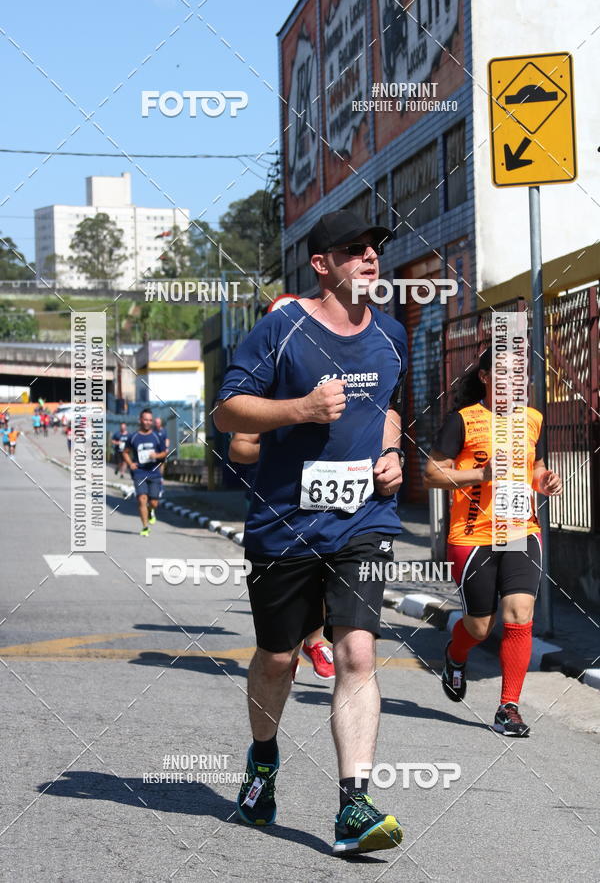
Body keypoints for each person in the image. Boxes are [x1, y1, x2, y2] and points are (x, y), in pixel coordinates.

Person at [214, 209, 408, 856]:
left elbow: (387, 409)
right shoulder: (283, 330)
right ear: (321, 265)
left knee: (356, 653)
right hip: (284, 526)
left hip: (363, 522)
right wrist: (298, 409)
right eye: (352, 250)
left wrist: (393, 455)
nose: (369, 258)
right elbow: (229, 409)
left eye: (375, 248)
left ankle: (354, 805)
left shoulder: (389, 335)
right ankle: (263, 759)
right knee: (278, 659)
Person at [424, 347, 563, 736]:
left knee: (519, 614)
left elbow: (534, 467)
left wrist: (545, 480)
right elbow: (432, 475)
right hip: (472, 536)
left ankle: (508, 707)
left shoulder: (532, 420)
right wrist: (481, 475)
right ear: (486, 377)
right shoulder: (463, 421)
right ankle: (455, 656)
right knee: (480, 627)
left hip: (521, 530)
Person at [228, 432, 335, 681]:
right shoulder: (270, 396)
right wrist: (282, 452)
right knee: (292, 586)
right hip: (278, 506)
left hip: (327, 501)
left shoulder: (348, 397)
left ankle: (313, 642)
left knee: (322, 579)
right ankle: (291, 649)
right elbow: (237, 449)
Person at [122, 408, 168, 535]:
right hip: (139, 473)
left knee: (154, 502)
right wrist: (130, 463)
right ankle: (145, 527)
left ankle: (151, 510)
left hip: (154, 472)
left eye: (150, 420)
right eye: (145, 419)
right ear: (140, 420)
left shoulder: (157, 437)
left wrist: (156, 456)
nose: (148, 422)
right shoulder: (133, 437)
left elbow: (165, 453)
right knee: (142, 498)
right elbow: (125, 452)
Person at [153, 417, 170, 491]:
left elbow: (167, 439)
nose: (157, 424)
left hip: (162, 453)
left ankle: (160, 483)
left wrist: (166, 447)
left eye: (158, 422)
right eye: (156, 422)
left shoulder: (164, 431)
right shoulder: (152, 431)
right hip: (155, 453)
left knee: (161, 468)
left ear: (160, 423)